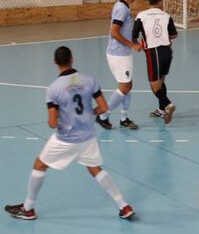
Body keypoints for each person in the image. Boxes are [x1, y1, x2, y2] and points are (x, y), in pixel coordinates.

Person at [5, 46, 135, 220]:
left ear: (55, 63)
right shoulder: (89, 80)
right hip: (88, 135)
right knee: (95, 169)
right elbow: (104, 107)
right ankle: (124, 206)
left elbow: (52, 123)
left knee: (39, 165)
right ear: (72, 59)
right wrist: (91, 113)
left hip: (66, 138)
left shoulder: (53, 89)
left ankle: (28, 208)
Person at [96, 0, 141, 130]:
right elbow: (114, 32)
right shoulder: (122, 8)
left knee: (127, 85)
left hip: (120, 53)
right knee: (125, 86)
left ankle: (124, 118)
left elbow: (115, 23)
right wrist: (132, 45)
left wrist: (131, 38)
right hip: (119, 53)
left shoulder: (119, 5)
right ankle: (102, 115)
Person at [132, 0, 177, 124]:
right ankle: (161, 109)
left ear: (149, 2)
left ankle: (168, 104)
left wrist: (138, 44)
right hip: (167, 51)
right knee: (161, 81)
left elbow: (134, 35)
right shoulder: (166, 15)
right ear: (160, 2)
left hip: (154, 52)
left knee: (154, 84)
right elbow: (174, 35)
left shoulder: (141, 15)